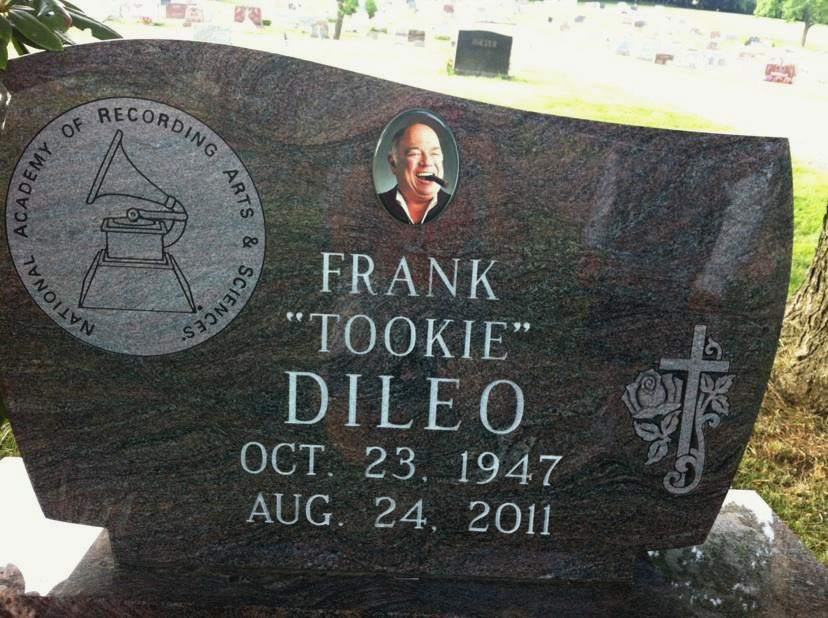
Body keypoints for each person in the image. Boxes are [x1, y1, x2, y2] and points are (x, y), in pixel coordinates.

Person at [378, 123, 452, 224]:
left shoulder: (459, 206)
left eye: (434, 153)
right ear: (393, 164)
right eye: (414, 153)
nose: (427, 162)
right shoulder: (374, 206)